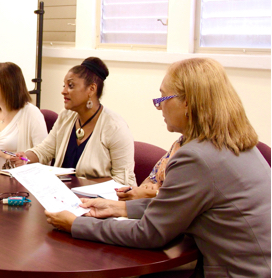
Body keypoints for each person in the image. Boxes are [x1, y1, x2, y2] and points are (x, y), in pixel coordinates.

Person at [45, 58, 271, 277]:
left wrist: (76, 224)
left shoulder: (196, 157)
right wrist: (120, 208)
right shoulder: (236, 143)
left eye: (163, 97)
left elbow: (149, 234)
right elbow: (178, 206)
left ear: (187, 103)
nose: (159, 106)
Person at [10, 57, 136, 186]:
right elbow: (45, 150)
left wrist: (79, 185)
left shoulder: (115, 127)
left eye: (70, 86)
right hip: (62, 196)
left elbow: (124, 181)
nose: (63, 91)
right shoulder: (66, 116)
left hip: (99, 201)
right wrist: (25, 157)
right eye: (64, 86)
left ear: (91, 89)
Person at [116, 136, 183, 200]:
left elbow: (183, 197)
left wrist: (152, 193)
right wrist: (141, 189)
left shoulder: (190, 153)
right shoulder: (179, 142)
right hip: (151, 203)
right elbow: (151, 179)